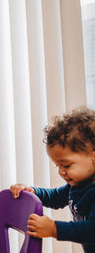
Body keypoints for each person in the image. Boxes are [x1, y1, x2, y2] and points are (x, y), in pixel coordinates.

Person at [10, 107, 95, 253]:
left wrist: (54, 229)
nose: (61, 172)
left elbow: (92, 230)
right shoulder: (77, 185)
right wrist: (32, 191)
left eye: (66, 165)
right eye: (57, 165)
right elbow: (55, 197)